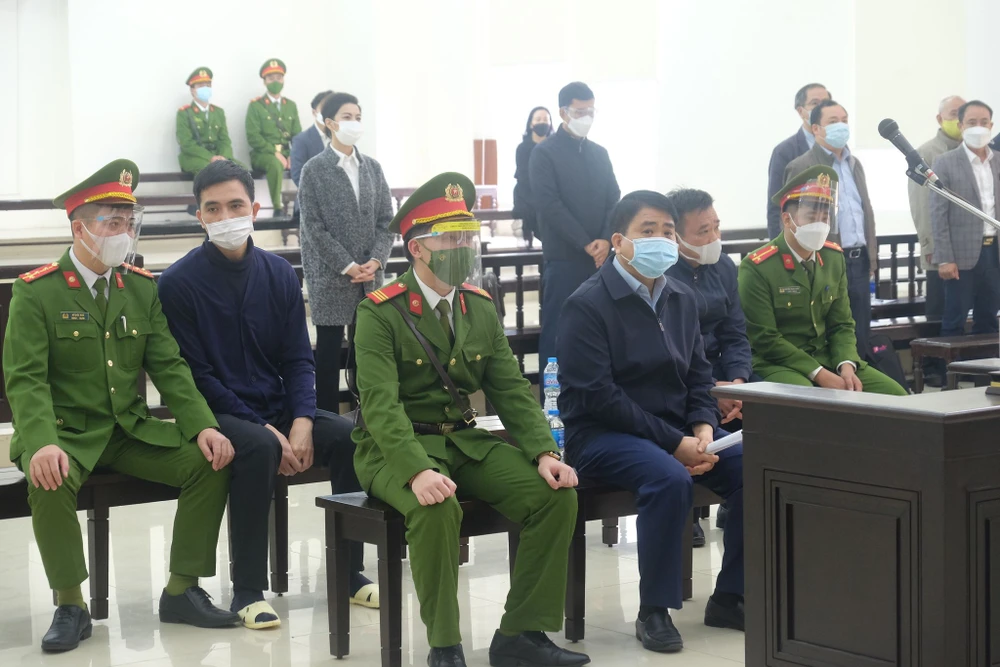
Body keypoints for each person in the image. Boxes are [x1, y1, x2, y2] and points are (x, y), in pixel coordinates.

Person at [352, 172, 589, 667]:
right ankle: (445, 645)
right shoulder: (381, 313)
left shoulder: (477, 306)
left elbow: (511, 390)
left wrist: (544, 451)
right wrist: (417, 471)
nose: (463, 247)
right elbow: (380, 406)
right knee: (436, 508)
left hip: (463, 441)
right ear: (417, 248)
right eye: (450, 238)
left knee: (555, 495)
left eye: (467, 236)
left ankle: (521, 634)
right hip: (394, 450)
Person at [3, 159, 240, 653]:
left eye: (129, 222)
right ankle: (71, 605)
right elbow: (25, 380)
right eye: (112, 222)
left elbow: (169, 366)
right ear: (80, 229)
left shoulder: (139, 287)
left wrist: (203, 426)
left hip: (127, 431)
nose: (124, 233)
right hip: (64, 434)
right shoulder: (37, 291)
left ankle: (182, 589)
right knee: (48, 479)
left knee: (210, 461)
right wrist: (41, 442)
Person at [157, 160, 378, 629]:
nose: (225, 216)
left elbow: (297, 359)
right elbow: (196, 377)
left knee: (347, 436)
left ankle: (349, 571)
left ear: (254, 210)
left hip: (277, 407)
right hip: (217, 412)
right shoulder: (177, 282)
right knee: (257, 446)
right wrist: (264, 428)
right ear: (199, 217)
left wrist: (301, 421)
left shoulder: (279, 273)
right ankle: (248, 590)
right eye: (213, 209)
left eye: (235, 205)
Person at [557, 190, 745, 655]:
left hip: (675, 428)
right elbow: (599, 396)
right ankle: (654, 610)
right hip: (602, 434)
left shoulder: (681, 296)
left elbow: (698, 374)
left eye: (667, 231)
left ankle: (731, 596)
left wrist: (702, 427)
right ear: (619, 241)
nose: (661, 240)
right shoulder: (587, 303)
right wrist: (674, 443)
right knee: (667, 478)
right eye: (648, 231)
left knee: (756, 467)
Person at [738, 166, 907, 395]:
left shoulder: (833, 257)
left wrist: (846, 365)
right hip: (778, 362)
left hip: (828, 358)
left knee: (896, 395)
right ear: (787, 219)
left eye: (825, 218)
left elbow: (842, 323)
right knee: (812, 400)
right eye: (811, 217)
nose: (820, 225)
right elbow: (765, 339)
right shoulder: (758, 267)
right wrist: (819, 373)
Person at [665, 188, 753, 540]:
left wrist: (739, 382)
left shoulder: (724, 266)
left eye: (716, 227)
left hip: (724, 375)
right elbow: (671, 350)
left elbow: (735, 333)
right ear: (676, 236)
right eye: (703, 231)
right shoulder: (662, 273)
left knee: (771, 414)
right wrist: (714, 390)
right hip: (684, 376)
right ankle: (685, 508)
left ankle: (736, 502)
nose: (714, 237)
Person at [298, 91, 394, 414]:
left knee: (366, 353)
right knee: (328, 356)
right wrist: (348, 265)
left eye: (358, 117)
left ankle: (367, 419)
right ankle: (326, 423)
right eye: (347, 117)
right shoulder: (314, 170)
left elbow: (387, 220)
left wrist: (376, 260)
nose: (354, 123)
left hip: (369, 276)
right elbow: (313, 228)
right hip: (332, 277)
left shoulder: (373, 168)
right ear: (330, 123)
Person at [530, 81, 620, 367]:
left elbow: (614, 198)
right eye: (580, 112)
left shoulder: (600, 153)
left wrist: (605, 239)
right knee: (558, 333)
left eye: (591, 111)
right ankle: (552, 395)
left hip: (602, 259)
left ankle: (598, 391)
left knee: (601, 330)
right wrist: (586, 243)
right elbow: (549, 205)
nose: (587, 117)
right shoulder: (544, 153)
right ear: (563, 112)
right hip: (564, 259)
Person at [785, 100, 877, 358]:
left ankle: (861, 375)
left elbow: (864, 210)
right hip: (824, 258)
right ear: (816, 128)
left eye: (844, 120)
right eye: (833, 121)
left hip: (858, 259)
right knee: (830, 328)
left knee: (860, 331)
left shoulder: (854, 163)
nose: (841, 126)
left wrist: (872, 257)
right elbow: (792, 219)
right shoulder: (802, 166)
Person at [930, 99, 1000, 338]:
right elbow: (938, 214)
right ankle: (949, 364)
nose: (978, 127)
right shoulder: (945, 162)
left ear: (991, 126)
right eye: (971, 122)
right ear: (960, 126)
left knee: (989, 318)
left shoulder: (998, 160)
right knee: (954, 319)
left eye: (983, 122)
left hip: (994, 253)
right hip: (960, 257)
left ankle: (986, 364)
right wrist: (945, 258)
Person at [907, 95, 965, 385]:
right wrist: (931, 246)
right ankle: (933, 368)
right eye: (954, 113)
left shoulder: (973, 152)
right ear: (940, 119)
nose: (959, 119)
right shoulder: (927, 152)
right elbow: (922, 204)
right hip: (940, 250)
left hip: (970, 250)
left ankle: (964, 365)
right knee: (939, 310)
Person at [766, 83, 831, 238]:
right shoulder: (785, 151)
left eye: (826, 103)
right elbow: (776, 208)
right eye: (815, 103)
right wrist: (782, 249)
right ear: (801, 111)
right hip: (805, 242)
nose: (821, 108)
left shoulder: (840, 149)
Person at [245, 58, 301, 212]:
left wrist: (293, 155)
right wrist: (275, 153)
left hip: (286, 153)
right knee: (275, 165)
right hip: (262, 154)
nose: (275, 81)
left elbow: (297, 135)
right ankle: (278, 208)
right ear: (264, 81)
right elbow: (253, 137)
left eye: (279, 78)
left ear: (283, 80)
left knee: (305, 162)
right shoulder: (256, 106)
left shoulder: (290, 105)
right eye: (271, 78)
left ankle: (304, 206)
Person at [176, 67, 239, 178]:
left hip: (218, 157)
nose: (205, 88)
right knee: (212, 172)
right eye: (200, 86)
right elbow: (186, 144)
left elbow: (224, 140)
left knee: (242, 171)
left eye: (208, 85)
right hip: (195, 158)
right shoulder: (184, 113)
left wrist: (223, 156)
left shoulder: (218, 112)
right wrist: (211, 157)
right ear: (192, 90)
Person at [513, 106, 553, 247]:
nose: (542, 122)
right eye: (538, 119)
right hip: (527, 193)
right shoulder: (523, 148)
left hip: (551, 193)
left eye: (545, 119)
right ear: (531, 123)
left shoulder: (555, 147)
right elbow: (523, 177)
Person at [290, 90, 334, 187]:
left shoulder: (342, 138)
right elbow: (298, 176)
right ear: (314, 112)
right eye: (325, 108)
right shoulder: (301, 140)